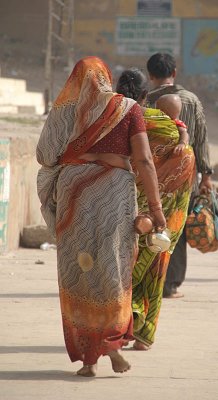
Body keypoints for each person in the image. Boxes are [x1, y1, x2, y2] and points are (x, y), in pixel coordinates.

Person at [36, 57, 166, 377]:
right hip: (114, 193)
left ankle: (90, 359)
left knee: (78, 271)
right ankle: (112, 346)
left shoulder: (64, 113)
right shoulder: (127, 109)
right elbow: (145, 161)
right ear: (107, 79)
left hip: (73, 193)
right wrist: (157, 210)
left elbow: (45, 154)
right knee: (113, 269)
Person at [116, 68, 196, 350]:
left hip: (122, 208)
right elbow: (182, 167)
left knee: (121, 269)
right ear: (145, 95)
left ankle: (120, 327)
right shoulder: (172, 131)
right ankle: (143, 335)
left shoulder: (116, 121)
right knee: (155, 269)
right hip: (163, 214)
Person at [146, 53, 214, 298]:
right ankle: (170, 284)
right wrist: (206, 176)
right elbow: (202, 139)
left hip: (151, 178)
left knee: (150, 226)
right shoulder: (192, 100)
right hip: (186, 177)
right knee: (177, 228)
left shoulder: (146, 101)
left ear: (150, 75)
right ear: (174, 72)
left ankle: (147, 279)